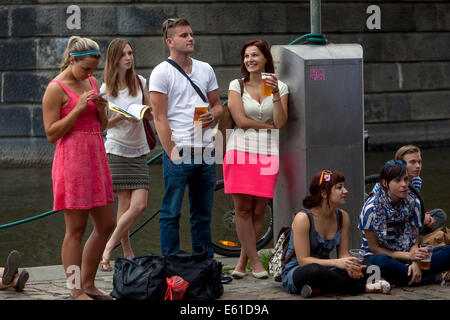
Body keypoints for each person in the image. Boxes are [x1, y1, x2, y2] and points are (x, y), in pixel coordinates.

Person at [42, 36, 115, 300]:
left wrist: (101, 110)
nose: (90, 74)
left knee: (107, 224)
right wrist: (77, 109)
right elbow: (51, 134)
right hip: (72, 161)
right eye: (85, 68)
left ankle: (88, 283)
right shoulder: (55, 88)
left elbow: (102, 126)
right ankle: (75, 290)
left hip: (96, 157)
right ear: (72, 60)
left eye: (93, 69)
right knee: (75, 230)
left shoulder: (92, 82)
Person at [149, 18, 224, 262]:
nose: (191, 38)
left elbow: (218, 105)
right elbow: (159, 117)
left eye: (191, 34)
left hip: (205, 151)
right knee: (170, 212)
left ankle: (205, 266)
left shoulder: (205, 69)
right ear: (170, 41)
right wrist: (170, 151)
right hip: (179, 150)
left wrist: (214, 114)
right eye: (184, 35)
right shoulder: (161, 72)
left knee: (202, 214)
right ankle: (172, 264)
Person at [223, 40, 288, 279]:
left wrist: (276, 95)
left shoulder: (280, 86)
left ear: (265, 59)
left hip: (268, 153)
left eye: (255, 55)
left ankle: (242, 263)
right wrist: (267, 127)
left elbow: (281, 123)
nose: (249, 60)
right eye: (246, 56)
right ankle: (257, 265)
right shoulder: (236, 85)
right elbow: (240, 121)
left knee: (260, 210)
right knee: (242, 209)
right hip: (240, 149)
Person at [281, 170, 391, 297]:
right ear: (324, 193)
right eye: (339, 188)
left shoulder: (343, 216)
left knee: (369, 267)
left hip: (328, 269)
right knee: (315, 271)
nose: (345, 191)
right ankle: (363, 288)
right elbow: (303, 261)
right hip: (299, 271)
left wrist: (350, 266)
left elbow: (343, 254)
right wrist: (337, 263)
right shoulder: (303, 218)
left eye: (343, 186)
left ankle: (319, 289)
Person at [98, 38, 153, 272]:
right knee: (125, 203)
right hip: (117, 149)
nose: (129, 58)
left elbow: (151, 114)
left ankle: (109, 246)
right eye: (124, 55)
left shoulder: (140, 81)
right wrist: (122, 116)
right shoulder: (105, 90)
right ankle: (127, 251)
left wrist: (142, 113)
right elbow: (103, 125)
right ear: (114, 59)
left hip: (139, 148)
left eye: (131, 53)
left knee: (139, 205)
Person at [359, 160, 450, 287]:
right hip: (381, 256)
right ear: (385, 183)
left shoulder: (414, 202)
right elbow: (375, 249)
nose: (404, 185)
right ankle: (432, 276)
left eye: (406, 179)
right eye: (397, 181)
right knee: (381, 262)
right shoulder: (371, 209)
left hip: (408, 254)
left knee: (447, 251)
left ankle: (404, 276)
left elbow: (414, 241)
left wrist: (415, 260)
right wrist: (410, 256)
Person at [371, 145, 447, 235]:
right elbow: (375, 212)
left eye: (419, 162)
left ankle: (417, 235)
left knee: (439, 214)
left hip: (407, 217)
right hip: (388, 223)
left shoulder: (416, 180)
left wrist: (421, 216)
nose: (418, 166)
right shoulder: (387, 182)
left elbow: (412, 205)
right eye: (413, 162)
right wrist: (420, 219)